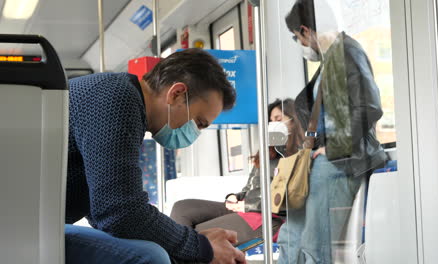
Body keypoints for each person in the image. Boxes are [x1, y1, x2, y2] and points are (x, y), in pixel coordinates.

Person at [65, 48, 246, 264]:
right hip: (26, 230)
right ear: (176, 94)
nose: (194, 133)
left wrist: (192, 242)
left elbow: (105, 210)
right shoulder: (117, 99)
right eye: (199, 122)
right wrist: (202, 248)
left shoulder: (119, 95)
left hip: (33, 226)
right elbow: (120, 212)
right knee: (152, 257)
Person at [277, 1, 387, 263]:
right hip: (324, 162)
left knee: (316, 246)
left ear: (305, 30)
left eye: (297, 37)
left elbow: (369, 107)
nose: (300, 43)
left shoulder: (347, 52)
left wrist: (333, 147)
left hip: (340, 163)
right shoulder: (331, 58)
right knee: (290, 237)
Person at [170, 99, 304, 246]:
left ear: (293, 121)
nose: (273, 124)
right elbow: (250, 188)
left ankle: (184, 253)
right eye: (270, 121)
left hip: (268, 216)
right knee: (182, 208)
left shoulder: (300, 156)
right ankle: (182, 253)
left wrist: (247, 206)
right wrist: (236, 197)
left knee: (200, 233)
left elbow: (291, 201)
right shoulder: (269, 152)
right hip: (246, 206)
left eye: (278, 119)